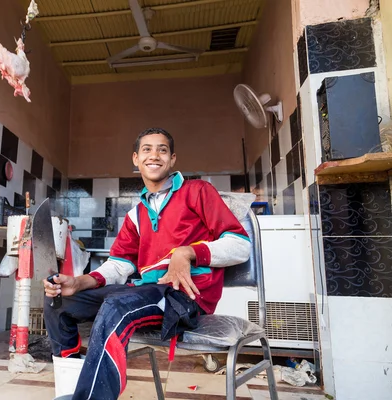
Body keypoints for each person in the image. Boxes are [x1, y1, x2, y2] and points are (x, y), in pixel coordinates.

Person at [43, 128, 251, 400]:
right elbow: (118, 266)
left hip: (185, 296)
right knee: (58, 301)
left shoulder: (197, 191)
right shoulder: (136, 214)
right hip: (146, 292)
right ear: (136, 159)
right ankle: (73, 387)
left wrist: (187, 252)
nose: (154, 155)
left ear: (173, 159)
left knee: (116, 305)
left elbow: (240, 245)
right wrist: (79, 282)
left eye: (162, 150)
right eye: (147, 149)